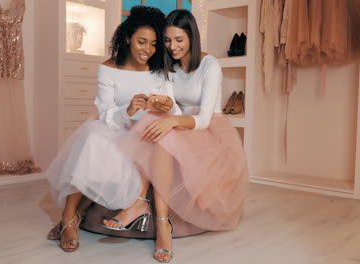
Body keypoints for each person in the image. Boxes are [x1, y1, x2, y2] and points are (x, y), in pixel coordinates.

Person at [119, 9, 249, 263]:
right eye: (167, 41)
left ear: (192, 37)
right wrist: (165, 107)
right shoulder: (171, 66)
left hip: (207, 127)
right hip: (182, 121)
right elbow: (176, 108)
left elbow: (204, 119)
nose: (172, 46)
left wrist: (173, 120)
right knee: (151, 122)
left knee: (162, 132)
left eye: (179, 40)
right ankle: (155, 216)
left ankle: (150, 214)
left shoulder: (210, 66)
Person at [46, 6, 178, 252]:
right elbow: (105, 111)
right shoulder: (108, 68)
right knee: (92, 137)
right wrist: (126, 111)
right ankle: (69, 215)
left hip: (146, 132)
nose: (147, 50)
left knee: (147, 135)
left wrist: (170, 105)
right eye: (141, 42)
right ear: (127, 38)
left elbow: (174, 110)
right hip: (116, 127)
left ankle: (75, 216)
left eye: (153, 44)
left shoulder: (160, 69)